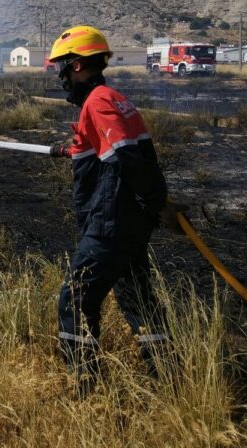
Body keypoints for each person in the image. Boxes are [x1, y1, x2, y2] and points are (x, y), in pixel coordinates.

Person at [47, 25, 171, 393]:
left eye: (64, 68)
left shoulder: (98, 101)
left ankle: (84, 389)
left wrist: (156, 203)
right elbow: (107, 149)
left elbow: (126, 156)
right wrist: (69, 149)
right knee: (138, 299)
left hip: (110, 224)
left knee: (77, 297)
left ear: (79, 66)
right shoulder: (114, 99)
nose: (62, 77)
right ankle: (167, 377)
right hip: (130, 222)